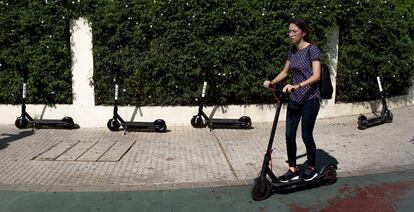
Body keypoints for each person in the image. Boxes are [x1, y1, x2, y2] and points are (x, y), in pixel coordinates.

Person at [263, 18, 321, 183]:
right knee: (289, 135)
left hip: (310, 98)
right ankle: (293, 169)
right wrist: (272, 82)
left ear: (303, 32)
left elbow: (316, 76)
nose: (290, 34)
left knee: (306, 135)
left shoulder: (312, 49)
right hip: (295, 99)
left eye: (294, 31)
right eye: (289, 31)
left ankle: (312, 168)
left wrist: (298, 85)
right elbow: (285, 72)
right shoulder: (292, 51)